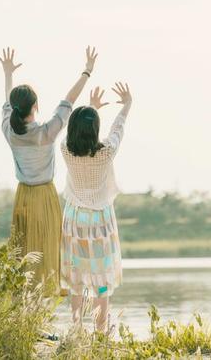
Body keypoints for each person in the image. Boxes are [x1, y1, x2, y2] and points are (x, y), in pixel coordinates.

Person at [0, 45, 98, 296]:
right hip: (45, 196)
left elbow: (7, 104)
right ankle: (43, 311)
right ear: (35, 107)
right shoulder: (47, 132)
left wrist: (8, 74)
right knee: (48, 248)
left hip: (23, 196)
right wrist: (86, 72)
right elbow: (69, 100)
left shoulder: (9, 131)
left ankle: (25, 311)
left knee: (24, 252)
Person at [59, 82, 132, 332]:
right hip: (99, 220)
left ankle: (77, 328)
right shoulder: (106, 153)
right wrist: (127, 105)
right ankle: (101, 331)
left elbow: (81, 131)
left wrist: (91, 107)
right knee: (101, 278)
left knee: (76, 277)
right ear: (94, 130)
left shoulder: (65, 150)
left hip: (74, 218)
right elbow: (116, 130)